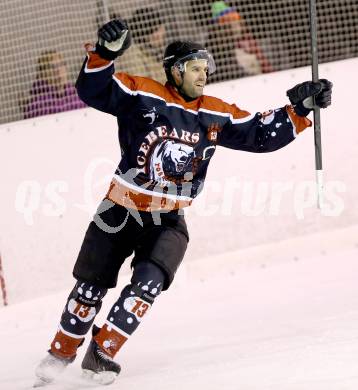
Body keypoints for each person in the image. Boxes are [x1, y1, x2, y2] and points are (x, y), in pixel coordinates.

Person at [33, 18, 332, 387]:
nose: (203, 75)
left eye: (206, 69)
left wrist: (299, 109)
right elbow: (94, 90)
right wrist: (105, 54)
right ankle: (60, 353)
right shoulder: (142, 94)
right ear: (175, 70)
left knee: (148, 283)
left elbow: (258, 134)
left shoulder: (213, 111)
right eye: (195, 68)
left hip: (169, 218)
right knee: (90, 287)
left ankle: (102, 351)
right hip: (119, 209)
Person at [206, 1, 273, 82]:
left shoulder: (248, 40)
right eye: (226, 20)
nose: (234, 24)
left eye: (235, 18)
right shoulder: (214, 50)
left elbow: (265, 65)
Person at [23, 50, 85, 119]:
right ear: (42, 73)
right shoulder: (36, 105)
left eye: (61, 64)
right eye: (52, 67)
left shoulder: (78, 96)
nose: (58, 70)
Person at [120, 7, 167, 84]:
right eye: (149, 32)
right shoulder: (133, 56)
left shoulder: (157, 54)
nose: (157, 35)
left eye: (157, 29)